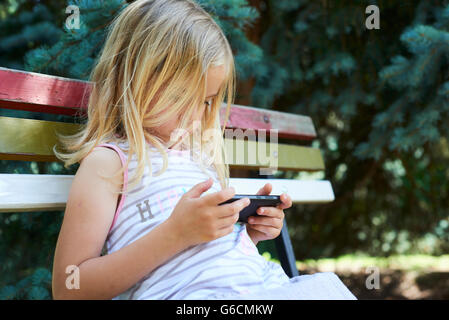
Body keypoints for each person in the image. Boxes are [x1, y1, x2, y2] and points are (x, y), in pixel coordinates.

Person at [51, 0, 356, 300]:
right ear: (135, 78)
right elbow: (68, 288)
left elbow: (205, 258)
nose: (196, 114)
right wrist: (176, 234)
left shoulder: (199, 158)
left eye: (207, 100)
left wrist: (249, 233)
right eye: (182, 95)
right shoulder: (109, 164)